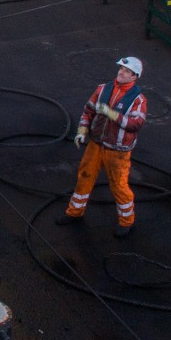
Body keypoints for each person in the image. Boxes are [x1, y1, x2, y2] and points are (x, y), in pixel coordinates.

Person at [56, 56, 147, 239]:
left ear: (134, 76)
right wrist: (82, 130)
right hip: (96, 144)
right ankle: (74, 211)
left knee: (119, 186)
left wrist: (111, 113)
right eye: (121, 68)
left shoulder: (138, 100)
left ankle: (126, 222)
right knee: (85, 175)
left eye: (126, 71)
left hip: (118, 151)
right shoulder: (103, 89)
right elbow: (88, 111)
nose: (121, 72)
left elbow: (135, 124)